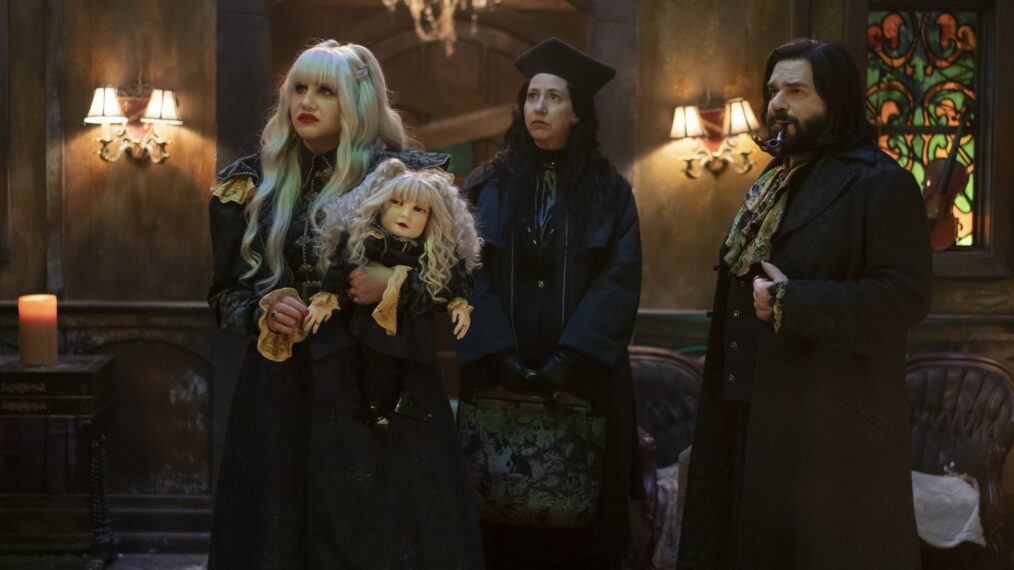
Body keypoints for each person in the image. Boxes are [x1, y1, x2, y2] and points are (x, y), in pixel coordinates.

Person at [206, 40, 483, 569]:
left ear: (357, 102)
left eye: (325, 91)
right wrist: (263, 312)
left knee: (376, 539)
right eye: (299, 89)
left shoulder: (405, 179)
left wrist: (393, 284)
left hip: (378, 387)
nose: (306, 102)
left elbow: (459, 277)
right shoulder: (249, 183)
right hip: (282, 391)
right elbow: (224, 295)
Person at [677, 39, 931, 569]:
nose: (777, 103)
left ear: (834, 100)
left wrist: (795, 302)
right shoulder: (771, 181)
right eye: (773, 91)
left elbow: (905, 298)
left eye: (795, 91)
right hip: (748, 412)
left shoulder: (882, 182)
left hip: (825, 430)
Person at [456, 37, 642, 569]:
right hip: (497, 376)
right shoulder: (486, 184)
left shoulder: (610, 191)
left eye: (554, 98)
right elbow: (467, 270)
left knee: (582, 530)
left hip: (585, 379)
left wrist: (569, 357)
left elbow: (620, 278)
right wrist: (500, 355)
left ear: (577, 112)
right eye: (532, 96)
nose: (538, 107)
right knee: (498, 517)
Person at [303, 158, 481, 427]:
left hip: (413, 327)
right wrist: (326, 299)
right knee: (376, 361)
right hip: (372, 322)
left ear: (431, 217)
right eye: (396, 203)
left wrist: (458, 304)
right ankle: (375, 405)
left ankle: (403, 400)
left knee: (414, 363)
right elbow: (342, 266)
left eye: (418, 209)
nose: (405, 215)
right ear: (380, 205)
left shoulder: (432, 249)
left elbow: (453, 278)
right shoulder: (372, 239)